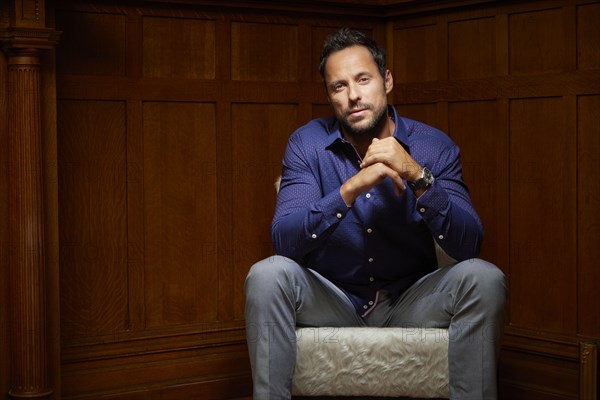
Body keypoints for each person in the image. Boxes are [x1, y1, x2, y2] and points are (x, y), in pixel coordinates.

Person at [244, 27, 506, 400]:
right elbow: (285, 241)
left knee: (485, 277)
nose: (353, 95)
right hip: (336, 300)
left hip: (409, 301)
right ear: (330, 96)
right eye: (338, 86)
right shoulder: (308, 143)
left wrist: (417, 175)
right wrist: (351, 188)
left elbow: (469, 245)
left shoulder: (433, 146)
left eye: (363, 80)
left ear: (386, 80)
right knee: (266, 275)